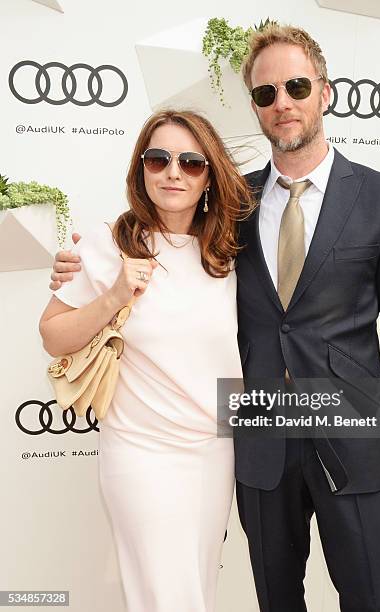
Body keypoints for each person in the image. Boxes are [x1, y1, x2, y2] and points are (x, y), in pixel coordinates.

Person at [50, 24, 380, 612]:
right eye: (265, 93)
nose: (282, 103)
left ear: (325, 93)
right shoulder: (232, 207)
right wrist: (80, 269)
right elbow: (162, 238)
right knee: (275, 599)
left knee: (371, 596)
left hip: (354, 435)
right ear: (254, 105)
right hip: (259, 440)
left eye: (296, 86)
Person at [39, 109, 254, 612]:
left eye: (191, 162)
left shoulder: (231, 252)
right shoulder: (108, 242)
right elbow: (52, 335)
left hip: (214, 453)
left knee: (196, 588)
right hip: (141, 454)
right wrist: (114, 294)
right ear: (141, 170)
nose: (173, 172)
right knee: (168, 596)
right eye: (157, 159)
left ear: (210, 176)